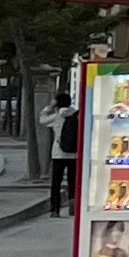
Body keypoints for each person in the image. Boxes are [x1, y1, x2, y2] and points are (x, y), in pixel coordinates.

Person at [48, 86, 81, 219]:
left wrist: (50, 107)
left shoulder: (56, 117)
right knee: (73, 181)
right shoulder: (77, 115)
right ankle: (73, 202)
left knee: (56, 182)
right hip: (74, 154)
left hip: (58, 154)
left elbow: (42, 119)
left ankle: (55, 209)